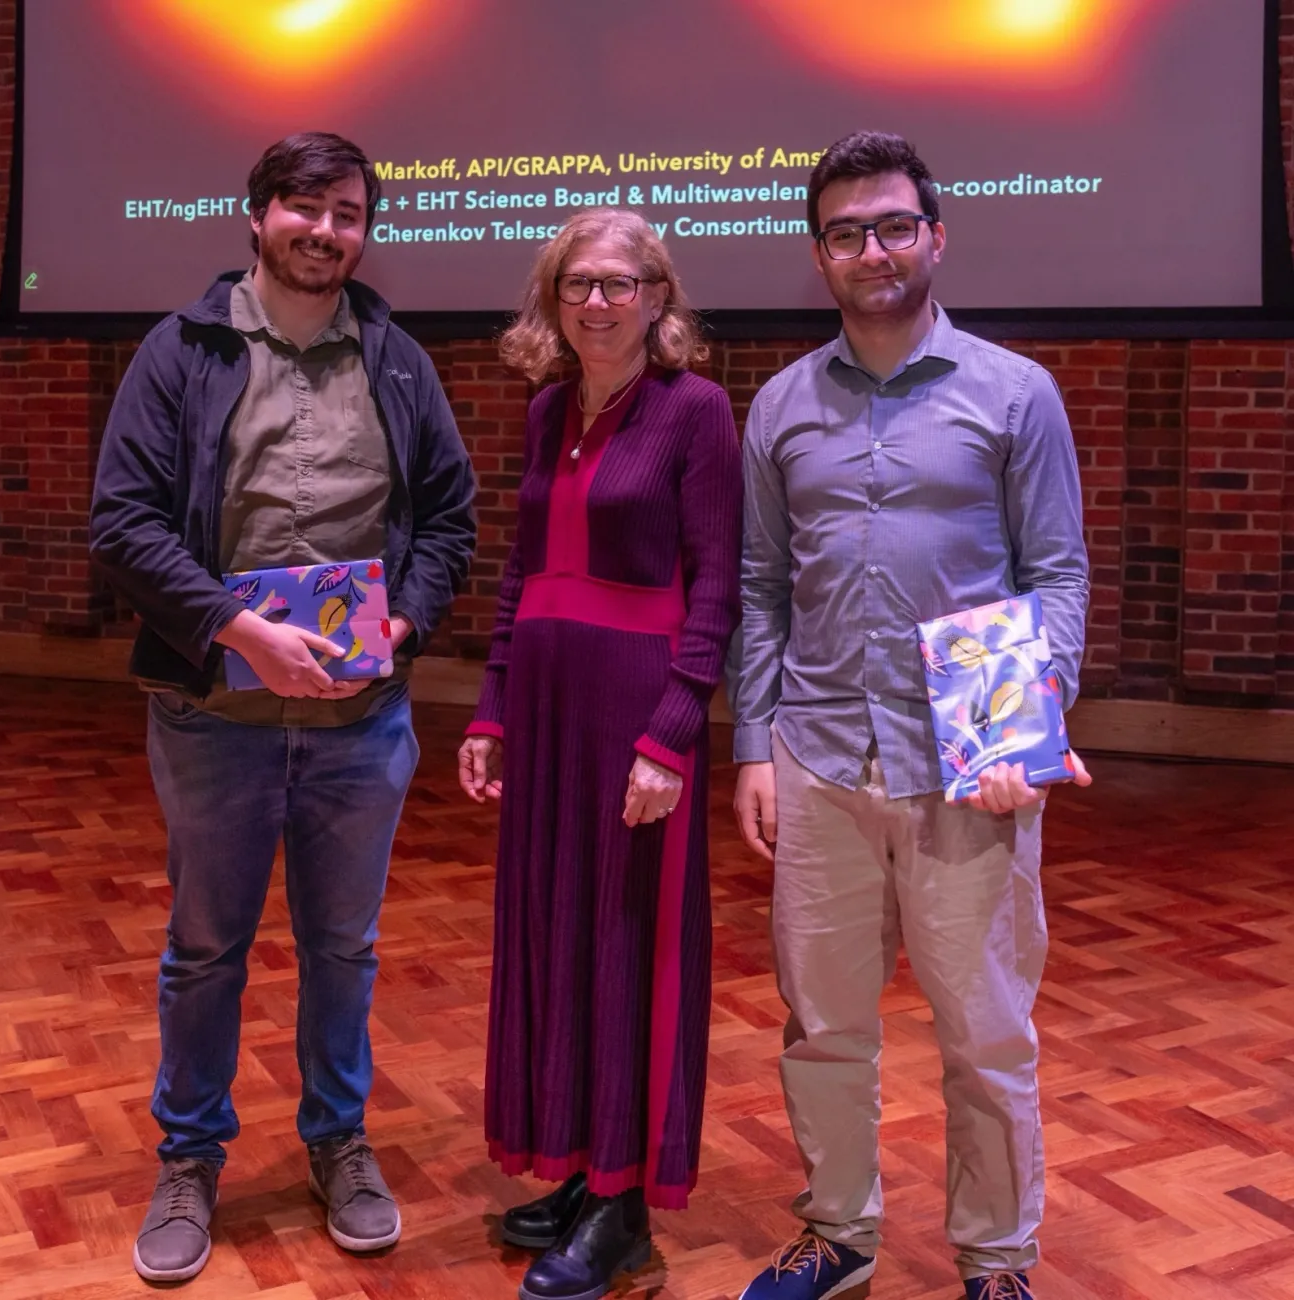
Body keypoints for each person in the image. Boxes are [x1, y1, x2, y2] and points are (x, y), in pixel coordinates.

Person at [89, 132, 476, 1283]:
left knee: (343, 949)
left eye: (348, 212)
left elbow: (449, 520)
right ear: (255, 216)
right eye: (304, 208)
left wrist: (400, 626)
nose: (326, 230)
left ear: (366, 229)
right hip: (218, 719)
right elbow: (124, 524)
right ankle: (191, 1155)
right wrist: (236, 628)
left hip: (363, 726)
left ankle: (338, 1141)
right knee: (205, 949)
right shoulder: (182, 352)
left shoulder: (398, 361)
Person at [730, 132, 1092, 1300]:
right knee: (823, 1025)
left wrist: (1025, 732)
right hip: (821, 756)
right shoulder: (780, 405)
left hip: (965, 769)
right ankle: (838, 1236)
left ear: (934, 236)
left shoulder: (1013, 393)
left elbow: (1057, 578)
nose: (871, 249)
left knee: (985, 1037)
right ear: (819, 255)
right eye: (844, 232)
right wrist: (752, 746)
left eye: (892, 225)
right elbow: (761, 588)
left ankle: (994, 1262)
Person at [457, 208, 742, 1300]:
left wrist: (674, 730)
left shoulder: (696, 411)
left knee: (630, 947)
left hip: (634, 709)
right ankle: (578, 1167)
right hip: (545, 705)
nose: (598, 301)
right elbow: (522, 570)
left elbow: (717, 583)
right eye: (578, 282)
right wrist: (489, 708)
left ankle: (624, 1206)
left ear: (659, 299)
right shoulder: (544, 411)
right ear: (553, 297)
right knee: (556, 935)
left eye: (622, 283)